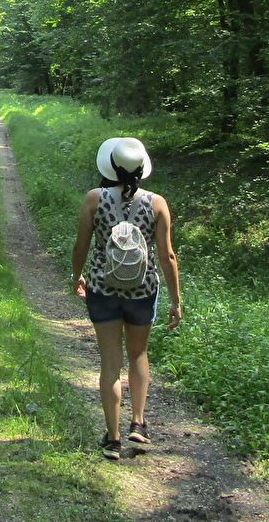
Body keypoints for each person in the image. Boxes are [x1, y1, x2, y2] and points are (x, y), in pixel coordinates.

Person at [71, 136, 182, 460]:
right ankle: (138, 422)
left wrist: (77, 275)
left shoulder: (95, 199)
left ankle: (113, 437)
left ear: (111, 166)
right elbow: (167, 256)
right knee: (138, 355)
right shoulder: (157, 203)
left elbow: (81, 246)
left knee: (110, 363)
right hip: (143, 290)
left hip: (103, 290)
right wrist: (176, 300)